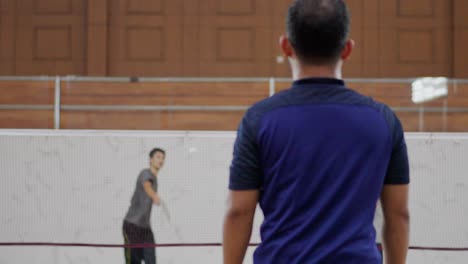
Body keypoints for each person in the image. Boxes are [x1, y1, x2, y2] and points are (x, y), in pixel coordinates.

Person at [223, 0, 410, 263]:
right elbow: (398, 214)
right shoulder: (383, 120)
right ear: (347, 49)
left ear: (286, 46)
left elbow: (239, 211)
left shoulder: (259, 120)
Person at [123, 148, 165, 264]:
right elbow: (147, 186)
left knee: (151, 260)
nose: (161, 160)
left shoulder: (155, 180)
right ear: (151, 160)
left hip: (145, 229)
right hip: (132, 226)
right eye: (158, 157)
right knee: (133, 261)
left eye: (162, 157)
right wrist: (154, 196)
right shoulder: (145, 173)